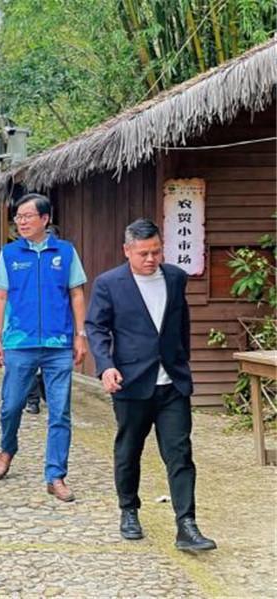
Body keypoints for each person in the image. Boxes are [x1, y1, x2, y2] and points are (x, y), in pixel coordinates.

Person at [85, 218, 216, 551]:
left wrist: (182, 361)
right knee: (129, 450)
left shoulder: (175, 277)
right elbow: (96, 327)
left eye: (156, 251)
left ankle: (186, 525)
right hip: (131, 382)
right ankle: (129, 510)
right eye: (143, 253)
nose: (151, 259)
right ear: (127, 250)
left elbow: (181, 321)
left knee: (180, 453)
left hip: (172, 383)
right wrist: (106, 366)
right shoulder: (109, 283)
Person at [0, 193, 88, 502]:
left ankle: (55, 475)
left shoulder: (66, 252)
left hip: (58, 344)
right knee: (11, 405)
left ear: (45, 219)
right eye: (18, 217)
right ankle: (8, 447)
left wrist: (80, 335)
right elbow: (1, 297)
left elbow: (76, 294)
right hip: (20, 342)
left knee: (60, 412)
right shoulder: (9, 254)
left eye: (27, 216)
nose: (21, 222)